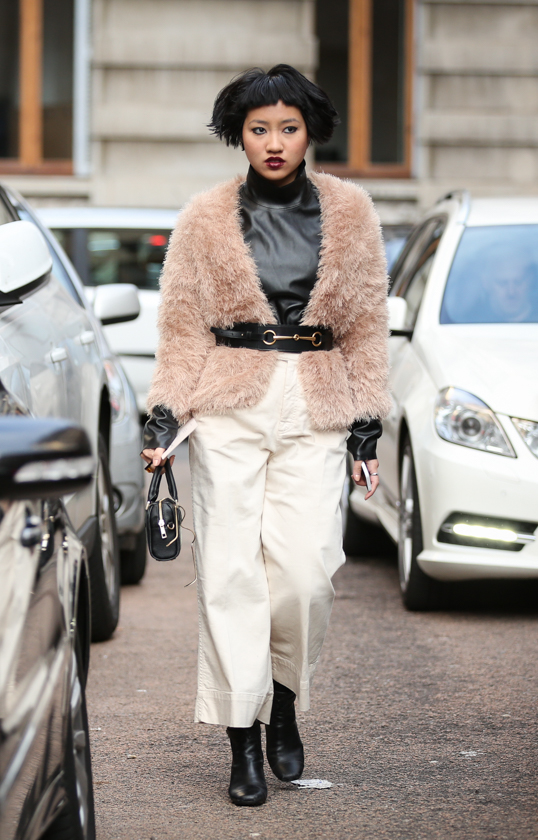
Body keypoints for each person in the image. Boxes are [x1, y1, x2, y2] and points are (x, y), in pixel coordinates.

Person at [141, 65, 389, 807]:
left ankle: (283, 702)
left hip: (316, 397)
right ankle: (242, 741)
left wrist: (366, 423)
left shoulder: (352, 213)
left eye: (287, 127)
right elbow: (182, 328)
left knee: (307, 573)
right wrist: (164, 413)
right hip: (228, 399)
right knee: (229, 573)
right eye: (258, 129)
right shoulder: (204, 217)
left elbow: (366, 322)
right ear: (237, 135)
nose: (274, 142)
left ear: (310, 130)